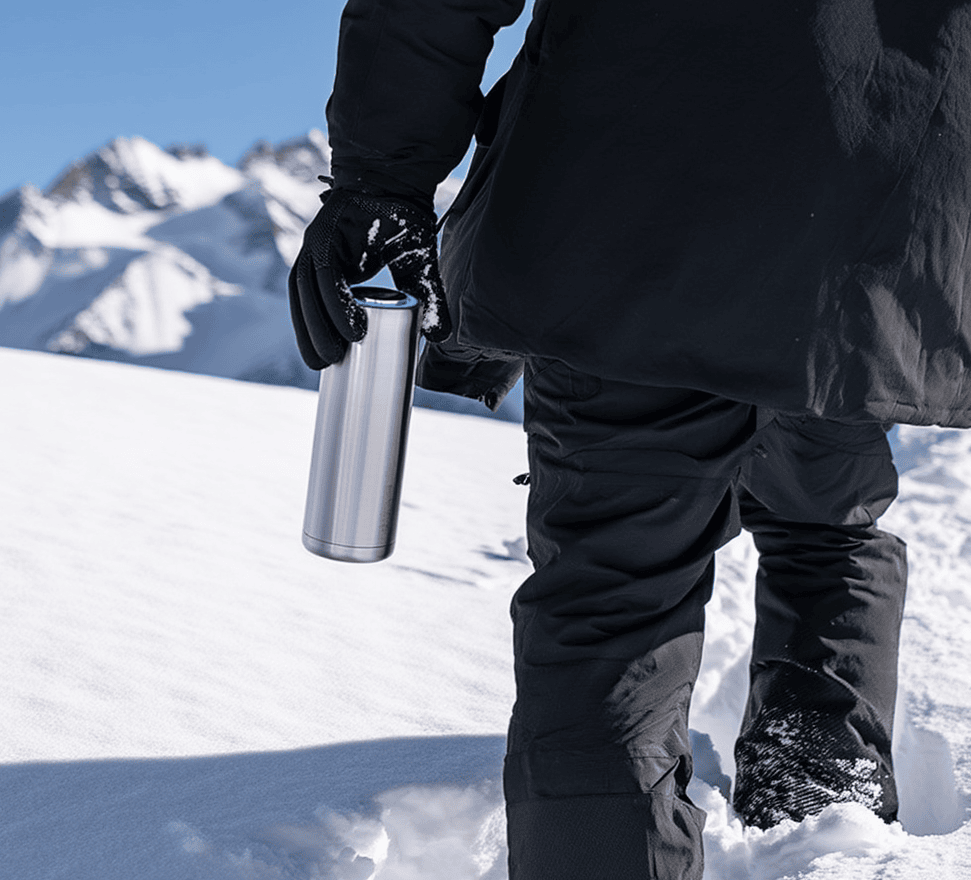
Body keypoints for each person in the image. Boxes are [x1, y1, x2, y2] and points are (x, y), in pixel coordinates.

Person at [289, 2, 971, 878]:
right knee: (828, 523)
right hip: (884, 222)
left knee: (613, 587)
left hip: (636, 207)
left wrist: (378, 183)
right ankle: (821, 826)